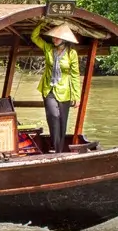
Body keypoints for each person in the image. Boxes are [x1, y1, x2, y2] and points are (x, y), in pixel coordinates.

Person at [31, 20, 82, 153]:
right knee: (53, 115)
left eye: (57, 37)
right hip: (48, 88)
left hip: (65, 90)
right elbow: (34, 37)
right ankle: (55, 146)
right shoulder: (48, 48)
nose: (54, 39)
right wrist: (41, 24)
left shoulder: (72, 54)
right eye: (53, 36)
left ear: (64, 39)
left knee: (62, 120)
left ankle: (58, 150)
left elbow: (75, 75)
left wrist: (77, 96)